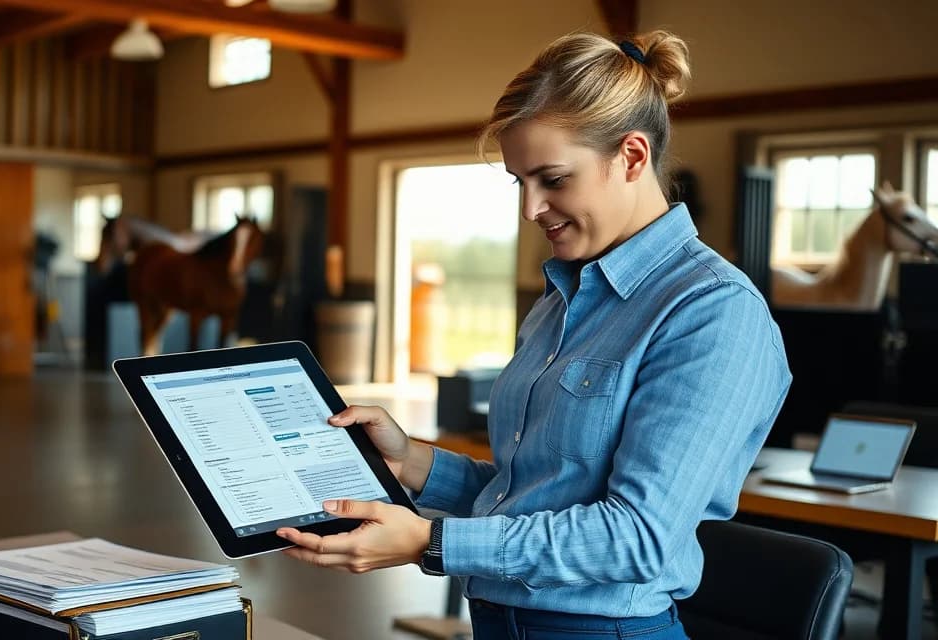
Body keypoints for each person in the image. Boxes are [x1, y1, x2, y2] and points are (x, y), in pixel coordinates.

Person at [275, 29, 792, 640]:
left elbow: (638, 538)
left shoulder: (713, 312)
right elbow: (527, 495)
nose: (531, 209)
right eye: (521, 182)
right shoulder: (559, 301)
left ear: (631, 156)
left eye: (553, 179)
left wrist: (430, 543)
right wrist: (410, 459)